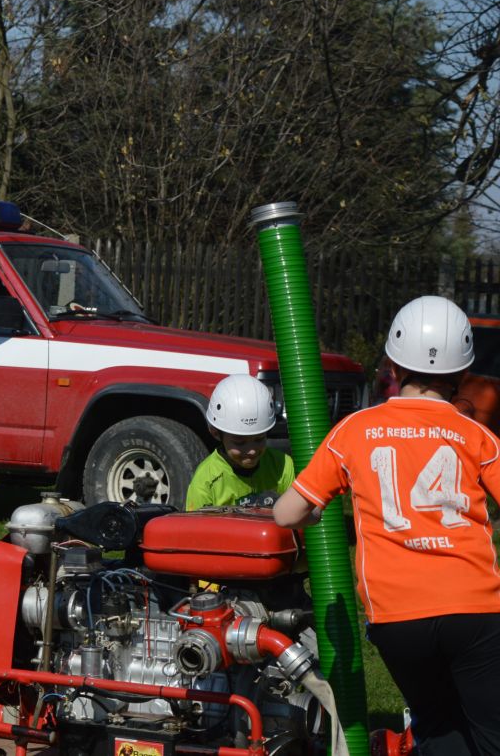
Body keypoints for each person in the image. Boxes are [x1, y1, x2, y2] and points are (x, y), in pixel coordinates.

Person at [274, 295, 500, 755]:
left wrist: (316, 513)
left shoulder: (355, 429)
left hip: (397, 615)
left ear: (393, 367)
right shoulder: (476, 435)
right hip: (475, 607)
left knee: (438, 726)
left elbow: (286, 514)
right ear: (462, 373)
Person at [186, 374, 295, 510]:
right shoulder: (205, 481)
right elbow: (195, 523)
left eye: (259, 439)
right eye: (239, 442)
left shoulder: (283, 467)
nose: (252, 450)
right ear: (216, 433)